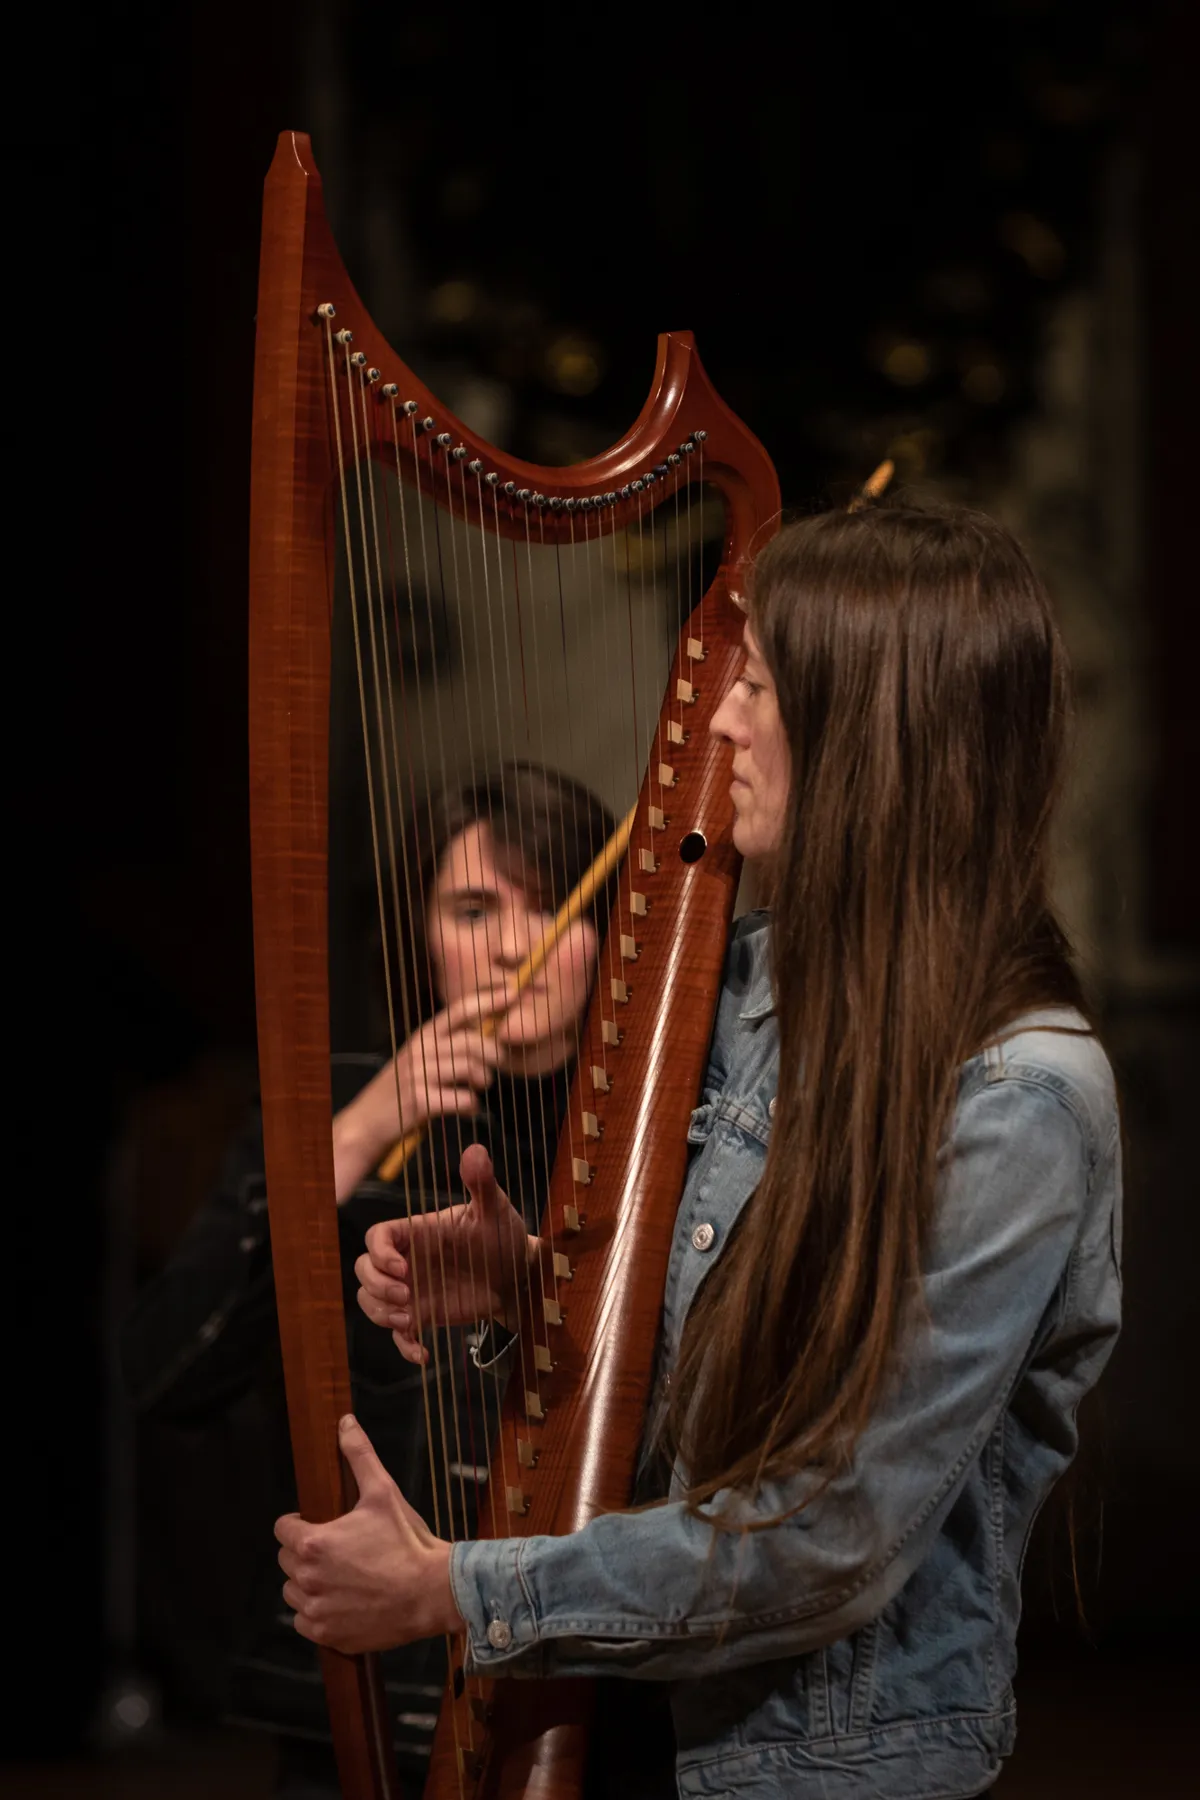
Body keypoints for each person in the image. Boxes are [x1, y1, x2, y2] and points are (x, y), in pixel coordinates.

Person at [277, 502, 1123, 1800]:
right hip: (648, 1725)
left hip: (829, 1767)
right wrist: (528, 1288)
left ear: (867, 737)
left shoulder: (1017, 1102)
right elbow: (689, 1374)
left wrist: (453, 1585)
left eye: (762, 688)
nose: (719, 724)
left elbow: (827, 1534)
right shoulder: (750, 982)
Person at [122, 760, 615, 1796]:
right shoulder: (336, 1113)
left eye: (551, 907)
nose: (512, 947)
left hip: (598, 1678)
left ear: (612, 935)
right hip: (362, 1692)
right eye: (473, 908)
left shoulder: (652, 1135)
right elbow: (165, 1373)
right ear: (419, 936)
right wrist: (356, 1137)